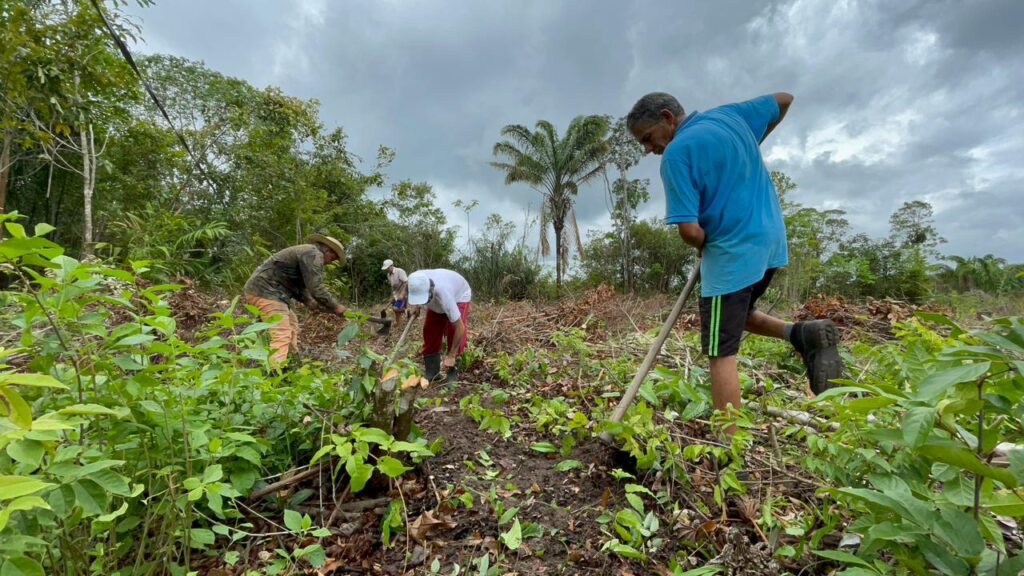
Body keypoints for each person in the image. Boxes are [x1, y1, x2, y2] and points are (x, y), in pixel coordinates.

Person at [626, 91, 842, 436]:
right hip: (770, 243)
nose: (649, 149)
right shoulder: (731, 117)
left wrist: (701, 243)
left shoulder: (678, 154)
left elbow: (690, 230)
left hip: (732, 253)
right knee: (740, 317)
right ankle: (801, 333)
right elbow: (784, 99)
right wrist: (751, 141)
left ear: (668, 117)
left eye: (649, 138)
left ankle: (730, 445)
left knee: (719, 351)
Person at [243, 234, 347, 367]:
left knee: (292, 325)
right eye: (333, 257)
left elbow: (299, 285)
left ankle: (290, 362)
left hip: (274, 292)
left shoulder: (308, 252)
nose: (332, 261)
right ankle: (276, 373)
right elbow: (316, 288)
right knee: (281, 332)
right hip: (266, 291)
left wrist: (310, 302)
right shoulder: (314, 254)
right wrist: (336, 306)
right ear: (328, 251)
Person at [406, 268, 471, 383]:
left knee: (452, 331)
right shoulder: (415, 279)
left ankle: (452, 373)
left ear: (431, 290)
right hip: (438, 295)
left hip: (459, 295)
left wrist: (451, 355)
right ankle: (432, 372)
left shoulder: (444, 295)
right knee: (430, 330)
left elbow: (460, 327)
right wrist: (417, 306)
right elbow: (415, 291)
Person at [381, 259, 408, 326]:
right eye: (386, 268)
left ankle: (406, 311)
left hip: (404, 293)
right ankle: (398, 322)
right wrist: (393, 296)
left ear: (392, 266)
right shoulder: (388, 275)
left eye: (388, 268)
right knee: (395, 308)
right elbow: (393, 287)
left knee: (395, 308)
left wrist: (402, 294)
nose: (387, 269)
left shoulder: (399, 271)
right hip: (396, 294)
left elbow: (406, 283)